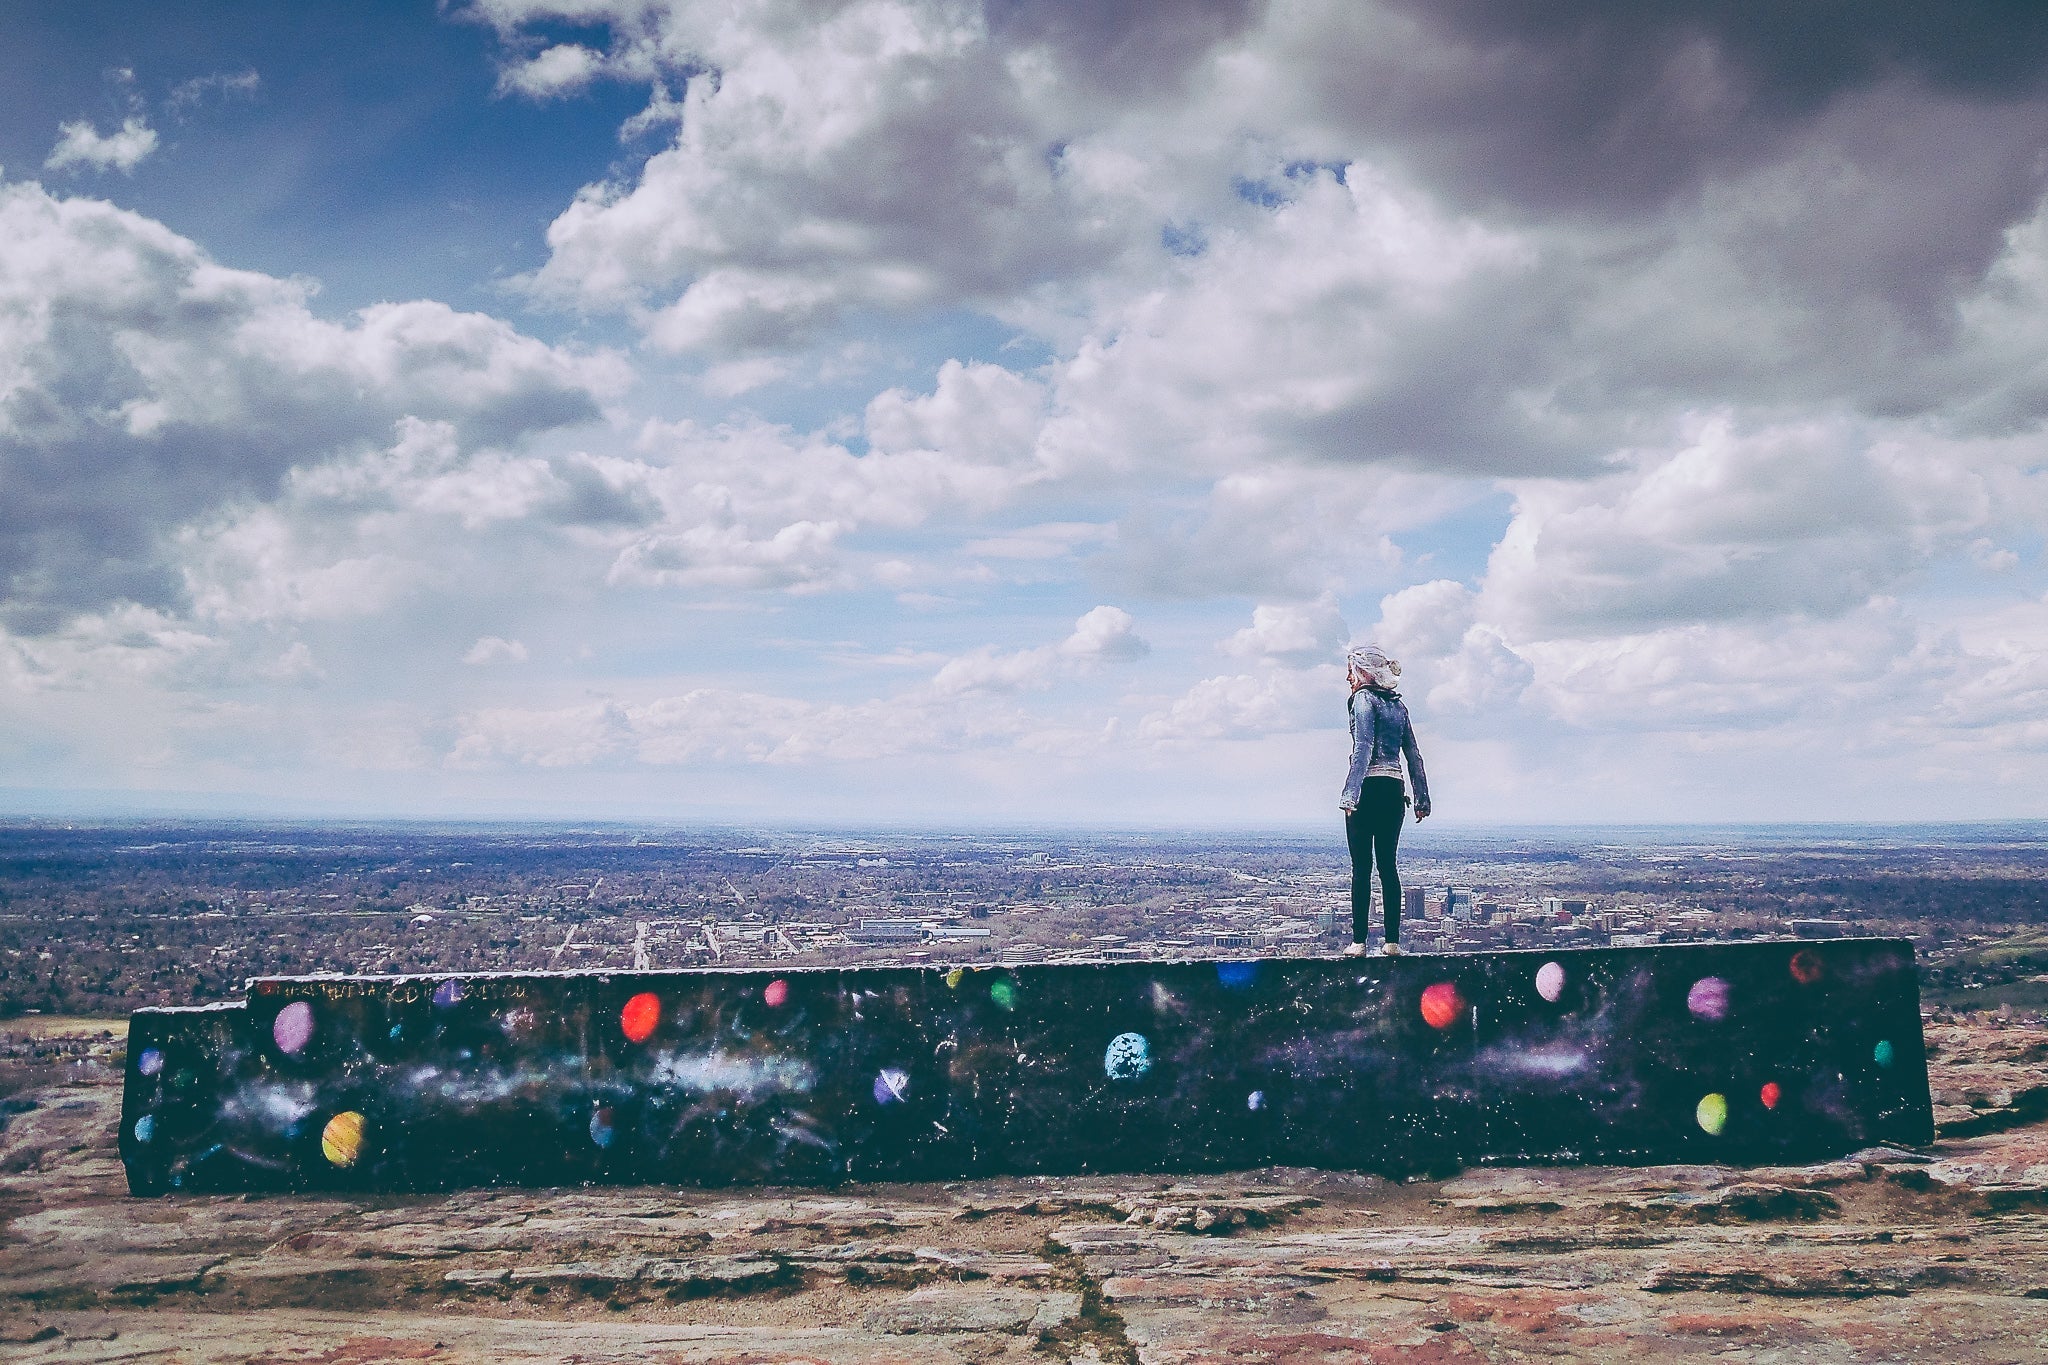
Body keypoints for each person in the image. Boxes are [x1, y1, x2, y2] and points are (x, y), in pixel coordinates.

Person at [1338, 644, 1430, 957]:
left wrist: (1351, 794)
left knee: (1361, 868)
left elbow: (1363, 747)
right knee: (1388, 867)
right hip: (1394, 791)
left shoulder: (1363, 700)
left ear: (1362, 671)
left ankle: (1359, 942)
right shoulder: (1399, 707)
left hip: (1368, 789)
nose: (1348, 677)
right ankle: (1392, 942)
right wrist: (1422, 798)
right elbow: (1413, 754)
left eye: (1351, 670)